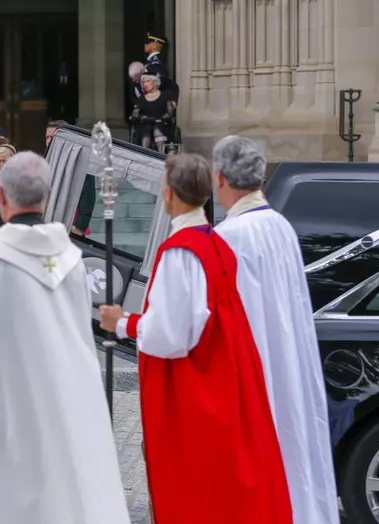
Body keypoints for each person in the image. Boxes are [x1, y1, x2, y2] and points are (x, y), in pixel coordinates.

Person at [98, 153, 292, 524]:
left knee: (194, 492)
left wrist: (122, 322)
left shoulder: (182, 251)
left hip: (192, 393)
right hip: (221, 380)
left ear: (168, 193)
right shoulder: (216, 243)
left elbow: (171, 334)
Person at [0, 151, 130, 523]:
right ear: (46, 196)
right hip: (65, 399)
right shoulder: (71, 259)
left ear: (1, 196)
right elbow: (80, 335)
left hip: (5, 408)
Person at [212, 136, 340, 524]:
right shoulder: (280, 226)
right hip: (287, 364)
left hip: (251, 372)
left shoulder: (227, 238)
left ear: (220, 178)